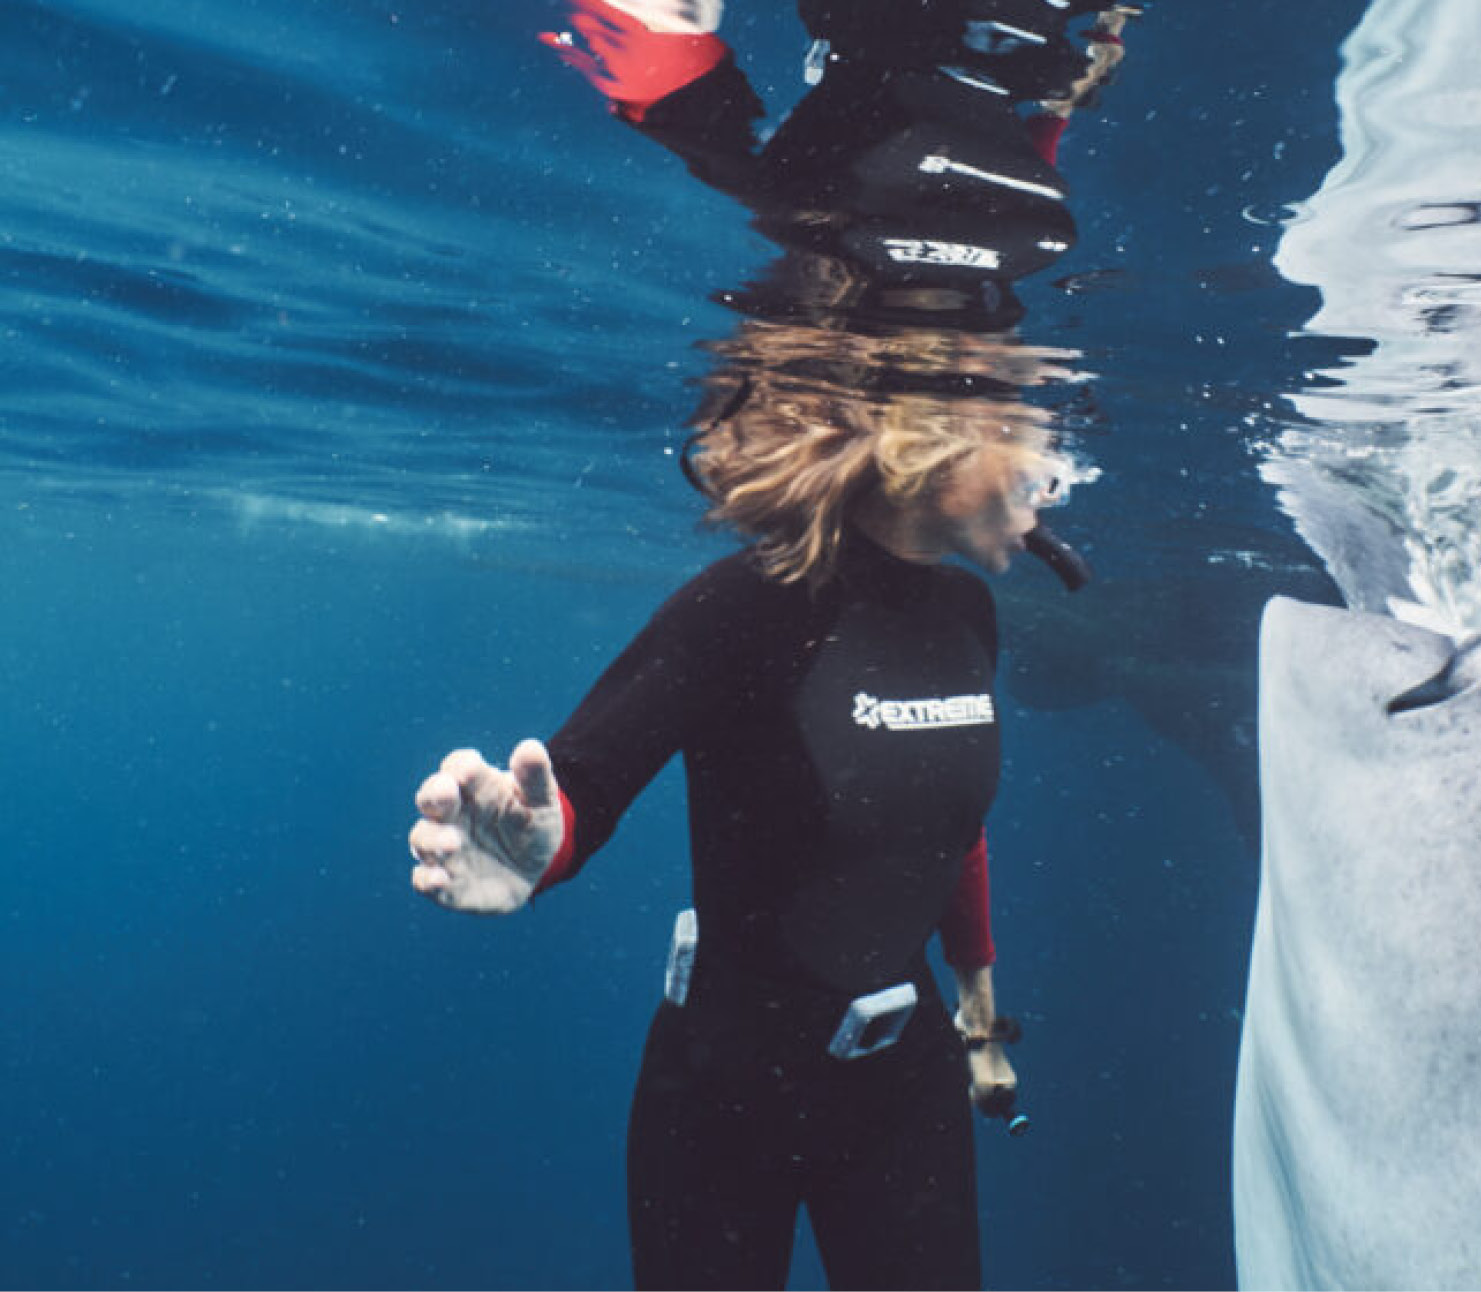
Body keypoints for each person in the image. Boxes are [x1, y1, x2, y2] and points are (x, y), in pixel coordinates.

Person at [406, 2, 1124, 1286]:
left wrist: (978, 1013)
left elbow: (942, 828)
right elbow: (583, 783)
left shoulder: (969, 614)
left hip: (903, 1087)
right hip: (721, 1096)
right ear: (932, 434)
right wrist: (530, 849)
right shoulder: (746, 608)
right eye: (1038, 431)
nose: (1059, 468)